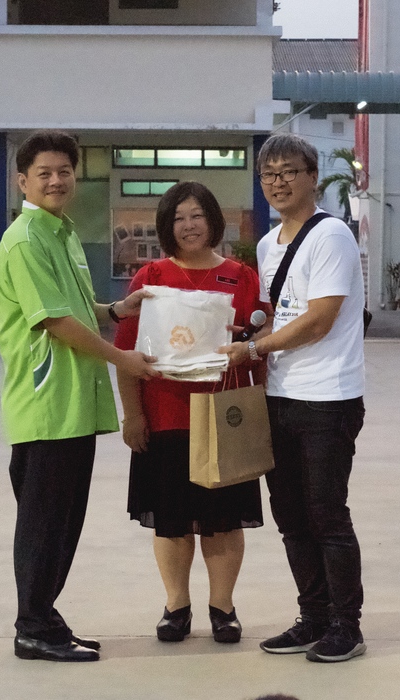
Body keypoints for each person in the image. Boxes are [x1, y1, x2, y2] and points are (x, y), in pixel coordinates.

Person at [0, 130, 159, 662]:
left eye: (63, 171)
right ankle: (32, 626)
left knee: (62, 522)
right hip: (47, 406)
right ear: (23, 180)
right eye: (43, 172)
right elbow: (57, 321)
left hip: (73, 407)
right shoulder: (24, 240)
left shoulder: (60, 233)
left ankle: (43, 615)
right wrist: (122, 358)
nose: (56, 180)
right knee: (45, 523)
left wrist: (115, 311)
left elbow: (78, 306)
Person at [220, 134, 366, 663]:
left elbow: (319, 321)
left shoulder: (331, 236)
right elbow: (278, 313)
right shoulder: (267, 244)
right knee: (290, 515)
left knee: (327, 513)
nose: (278, 182)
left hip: (328, 397)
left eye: (288, 172)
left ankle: (346, 627)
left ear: (312, 176)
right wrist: (244, 336)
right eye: (268, 175)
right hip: (278, 394)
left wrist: (255, 346)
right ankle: (313, 616)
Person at [115, 181, 270, 643]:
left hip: (224, 416)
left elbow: (260, 349)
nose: (189, 225)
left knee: (222, 521)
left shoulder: (242, 277)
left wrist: (251, 365)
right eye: (179, 217)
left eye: (197, 215)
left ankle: (223, 608)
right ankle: (175, 607)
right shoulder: (150, 278)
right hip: (164, 417)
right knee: (172, 520)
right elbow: (126, 353)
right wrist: (133, 415)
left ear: (213, 220)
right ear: (167, 225)